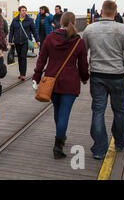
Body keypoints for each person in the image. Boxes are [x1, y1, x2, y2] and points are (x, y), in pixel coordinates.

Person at [33, 12, 89, 159]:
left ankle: (60, 136)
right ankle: (58, 145)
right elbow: (83, 64)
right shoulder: (78, 41)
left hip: (52, 80)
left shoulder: (51, 38)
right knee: (64, 113)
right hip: (70, 82)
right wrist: (84, 78)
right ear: (74, 23)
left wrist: (36, 77)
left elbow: (41, 59)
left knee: (58, 110)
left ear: (60, 22)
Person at [83, 0, 124, 160]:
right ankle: (119, 141)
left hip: (98, 75)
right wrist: (123, 70)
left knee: (98, 110)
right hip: (117, 75)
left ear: (101, 11)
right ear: (115, 12)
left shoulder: (89, 29)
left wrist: (88, 70)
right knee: (119, 110)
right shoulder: (123, 30)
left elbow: (83, 53)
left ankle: (99, 149)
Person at [8, 5, 40, 80]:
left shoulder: (29, 20)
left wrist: (37, 40)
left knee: (23, 57)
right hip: (17, 41)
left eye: (25, 10)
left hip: (25, 41)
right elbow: (11, 31)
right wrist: (10, 40)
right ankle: (21, 73)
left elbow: (34, 30)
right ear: (19, 11)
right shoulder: (15, 20)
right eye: (23, 10)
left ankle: (23, 74)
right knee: (19, 57)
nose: (24, 12)